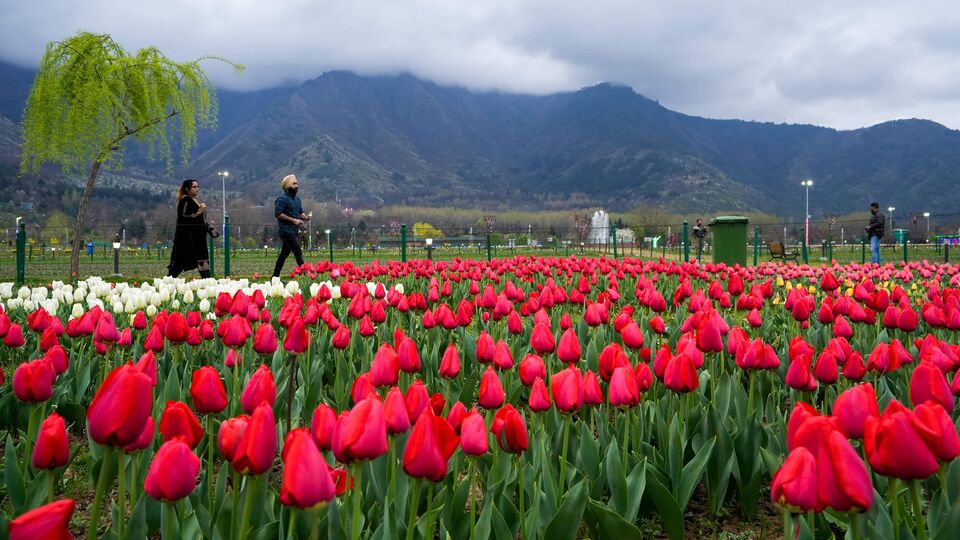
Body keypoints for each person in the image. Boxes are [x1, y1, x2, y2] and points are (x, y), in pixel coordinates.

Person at [167, 179, 219, 278]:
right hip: (188, 240)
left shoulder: (193, 201)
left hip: (197, 240)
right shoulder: (185, 200)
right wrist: (201, 209)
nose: (197, 189)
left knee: (202, 263)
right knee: (179, 264)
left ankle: (209, 283)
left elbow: (199, 221)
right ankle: (167, 284)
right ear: (187, 188)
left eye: (197, 186)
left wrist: (209, 229)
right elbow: (185, 216)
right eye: (194, 187)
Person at [273, 174, 310, 278]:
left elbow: (300, 212)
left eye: (297, 183)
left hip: (294, 231)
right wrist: (293, 220)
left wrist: (305, 217)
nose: (296, 185)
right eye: (294, 183)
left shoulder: (297, 200)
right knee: (298, 251)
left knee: (283, 255)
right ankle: (307, 276)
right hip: (285, 231)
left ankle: (275, 277)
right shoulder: (282, 199)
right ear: (287, 186)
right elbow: (278, 214)